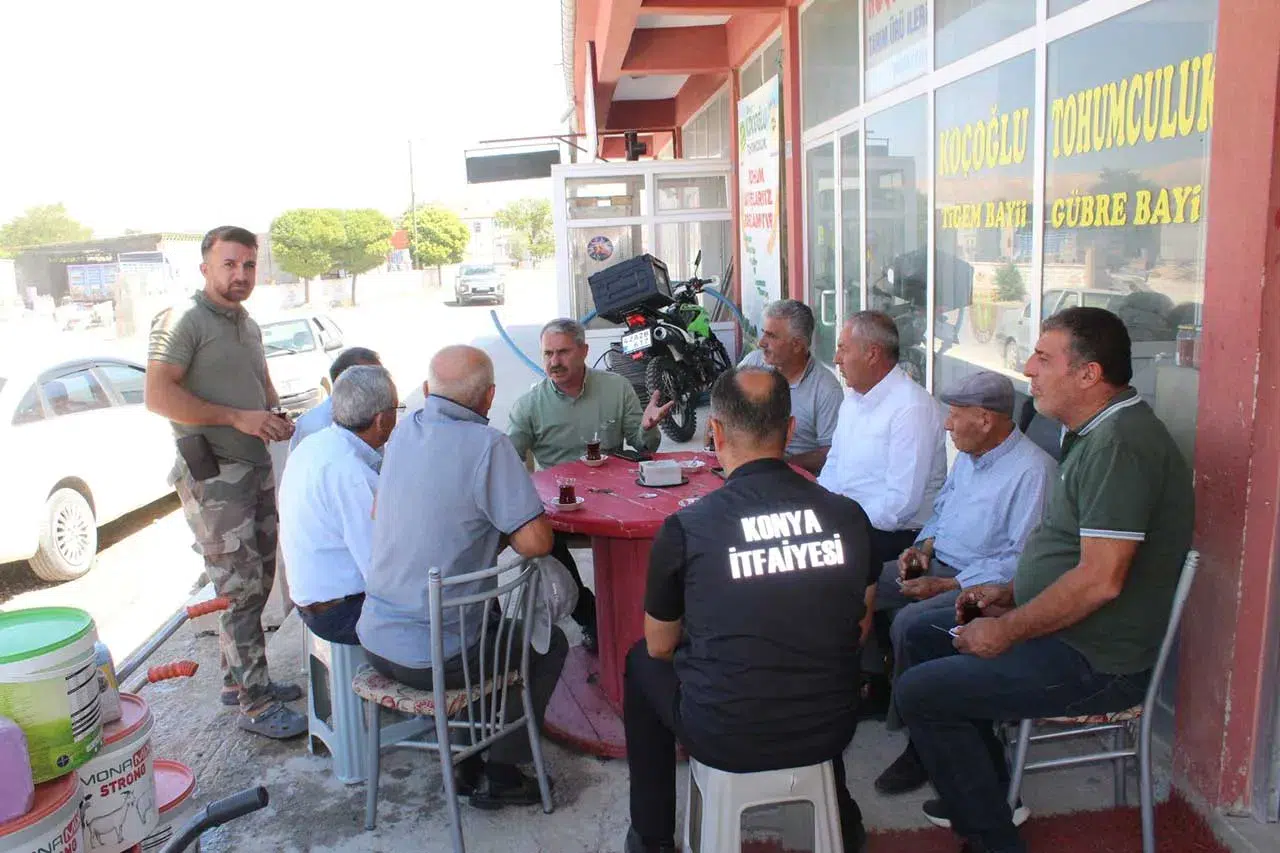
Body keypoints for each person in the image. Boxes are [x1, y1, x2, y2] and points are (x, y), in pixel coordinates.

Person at [893, 308, 1194, 853]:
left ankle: (992, 838)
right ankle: (987, 793)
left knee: (922, 693)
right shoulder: (1093, 433)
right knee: (917, 634)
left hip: (1098, 660)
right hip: (1071, 630)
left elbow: (1101, 581)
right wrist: (1011, 594)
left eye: (1043, 357)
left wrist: (1008, 630)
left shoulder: (1119, 446)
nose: (1028, 368)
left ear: (1088, 374)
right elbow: (1076, 558)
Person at [623, 366, 874, 853]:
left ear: (713, 431)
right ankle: (843, 819)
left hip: (725, 735)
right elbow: (858, 626)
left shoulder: (687, 528)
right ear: (791, 429)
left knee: (638, 661)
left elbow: (660, 645)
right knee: (815, 650)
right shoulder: (848, 515)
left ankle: (650, 837)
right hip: (832, 727)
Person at [358, 345, 568, 809]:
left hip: (374, 640)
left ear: (429, 390)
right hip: (434, 658)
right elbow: (537, 542)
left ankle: (466, 756)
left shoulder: (403, 432)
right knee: (547, 644)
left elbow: (380, 510)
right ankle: (500, 772)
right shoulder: (487, 445)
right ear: (490, 397)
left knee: (484, 625)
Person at [145, 225, 306, 739]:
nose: (241, 275)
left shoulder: (246, 322)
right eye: (230, 264)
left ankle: (239, 682)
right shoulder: (183, 320)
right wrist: (237, 419)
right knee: (236, 590)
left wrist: (271, 414)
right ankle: (256, 704)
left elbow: (259, 385)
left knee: (255, 585)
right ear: (205, 268)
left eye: (249, 265)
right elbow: (158, 396)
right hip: (215, 475)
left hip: (253, 467)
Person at [871, 371, 1057, 795]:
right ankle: (868, 691)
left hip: (980, 588)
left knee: (909, 624)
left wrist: (950, 584)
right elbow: (941, 511)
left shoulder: (1033, 472)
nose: (946, 424)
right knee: (851, 585)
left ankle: (919, 741)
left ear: (986, 419)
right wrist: (922, 547)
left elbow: (1020, 561)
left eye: (954, 416)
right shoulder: (971, 455)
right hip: (939, 565)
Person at [507, 318, 674, 650]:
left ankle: (651, 611)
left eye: (563, 352)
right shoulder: (529, 405)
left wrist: (649, 427)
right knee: (537, 537)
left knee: (667, 524)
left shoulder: (615, 387)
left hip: (617, 500)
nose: (554, 361)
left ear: (584, 350)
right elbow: (508, 460)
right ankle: (591, 615)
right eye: (548, 354)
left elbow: (644, 446)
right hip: (562, 508)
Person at [818, 311, 947, 571]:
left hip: (895, 536)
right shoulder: (854, 399)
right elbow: (833, 465)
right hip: (849, 521)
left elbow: (899, 508)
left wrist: (841, 520)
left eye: (843, 349)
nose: (836, 360)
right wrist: (821, 508)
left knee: (813, 567)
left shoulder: (911, 408)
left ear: (872, 354)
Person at [277, 366, 397, 645]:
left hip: (317, 603)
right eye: (396, 408)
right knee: (465, 611)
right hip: (341, 612)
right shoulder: (350, 473)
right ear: (382, 420)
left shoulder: (315, 444)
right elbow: (382, 571)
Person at [738, 299, 844, 474]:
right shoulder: (754, 363)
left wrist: (778, 463)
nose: (761, 343)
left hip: (795, 483)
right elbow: (726, 401)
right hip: (747, 470)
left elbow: (832, 454)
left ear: (797, 345)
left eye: (771, 336)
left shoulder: (826, 390)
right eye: (763, 333)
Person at [289, 347, 383, 450]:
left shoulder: (376, 410)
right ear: (345, 383)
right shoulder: (316, 425)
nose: (383, 383)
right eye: (373, 378)